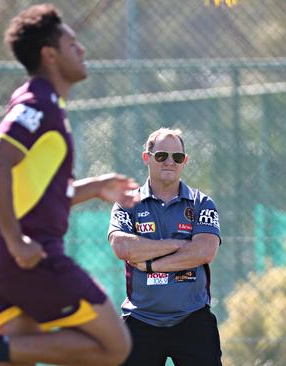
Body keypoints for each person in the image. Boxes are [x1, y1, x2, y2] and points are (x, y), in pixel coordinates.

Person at [0, 4, 138, 366]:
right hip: (27, 255)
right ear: (50, 55)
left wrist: (95, 188)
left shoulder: (46, 105)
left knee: (20, 359)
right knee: (115, 346)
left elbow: (43, 192)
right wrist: (17, 240)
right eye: (72, 44)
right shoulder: (38, 102)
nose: (82, 50)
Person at [107, 128, 223, 366]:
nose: (170, 162)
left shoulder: (202, 203)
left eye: (177, 157)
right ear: (147, 158)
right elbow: (122, 247)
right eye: (161, 156)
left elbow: (204, 251)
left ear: (185, 161)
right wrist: (178, 244)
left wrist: (150, 264)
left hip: (193, 319)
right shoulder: (127, 203)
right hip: (140, 319)